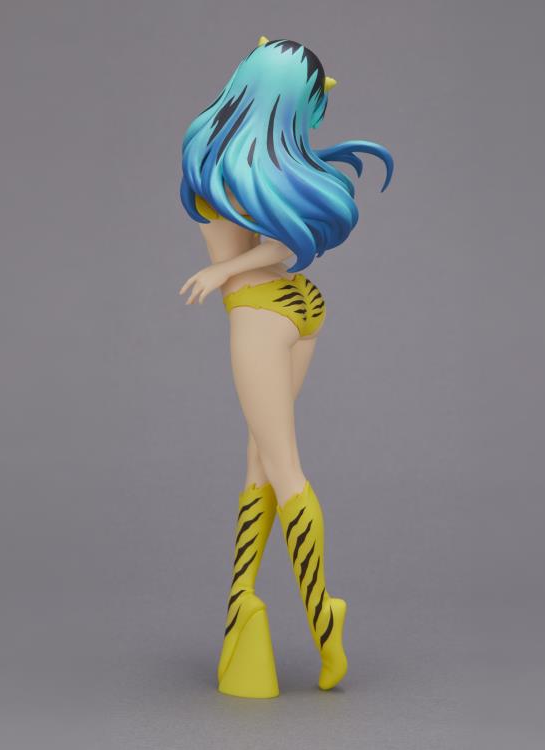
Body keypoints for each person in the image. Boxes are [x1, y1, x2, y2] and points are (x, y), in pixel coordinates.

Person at [178, 35, 394, 697]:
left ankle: (324, 617)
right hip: (302, 307)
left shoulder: (213, 154)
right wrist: (240, 265)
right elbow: (286, 244)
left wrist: (223, 270)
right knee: (260, 464)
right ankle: (242, 604)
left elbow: (262, 248)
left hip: (260, 318)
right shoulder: (272, 160)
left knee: (283, 466)